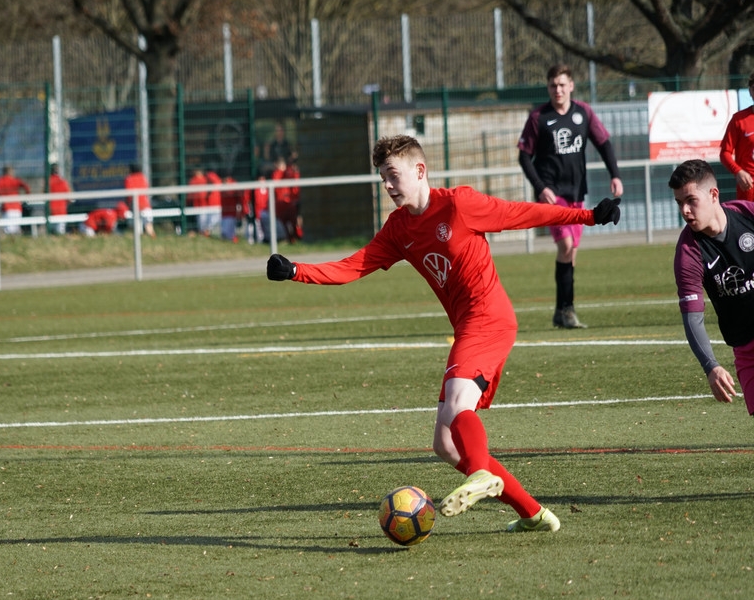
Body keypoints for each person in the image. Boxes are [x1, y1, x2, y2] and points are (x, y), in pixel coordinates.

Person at [266, 135, 621, 532]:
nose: (387, 185)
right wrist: (296, 271)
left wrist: (588, 216)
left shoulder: (458, 204)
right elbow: (354, 266)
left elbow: (520, 213)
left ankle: (482, 474)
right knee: (445, 444)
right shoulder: (398, 228)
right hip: (467, 326)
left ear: (420, 171)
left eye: (393, 175)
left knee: (456, 407)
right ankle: (533, 514)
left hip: (489, 318)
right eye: (382, 178)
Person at [518, 63, 624, 329]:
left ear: (571, 86)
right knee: (566, 246)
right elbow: (524, 156)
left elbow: (604, 143)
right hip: (552, 195)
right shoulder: (538, 117)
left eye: (562, 85)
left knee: (571, 251)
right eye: (553, 85)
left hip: (577, 192)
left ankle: (562, 310)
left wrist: (615, 175)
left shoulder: (583, 112)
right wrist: (541, 187)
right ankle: (567, 310)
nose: (558, 90)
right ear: (548, 87)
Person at [671, 159, 754, 414]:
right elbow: (693, 317)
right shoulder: (689, 252)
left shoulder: (748, 214)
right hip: (747, 350)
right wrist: (711, 366)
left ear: (714, 195)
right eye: (679, 203)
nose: (685, 210)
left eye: (691, 200)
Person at [719, 71, 754, 202]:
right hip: (749, 188)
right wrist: (738, 172)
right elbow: (725, 153)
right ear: (750, 91)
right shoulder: (739, 120)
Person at [0, 165, 31, 235]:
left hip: (7, 208)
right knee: (15, 230)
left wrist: (2, 196)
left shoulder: (1, 181)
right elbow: (26, 187)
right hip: (17, 208)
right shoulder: (15, 180)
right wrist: (26, 197)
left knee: (9, 231)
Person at [124, 164, 156, 238]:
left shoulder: (129, 178)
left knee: (137, 228)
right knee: (148, 225)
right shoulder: (143, 177)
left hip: (135, 205)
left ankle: (140, 238)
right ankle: (152, 237)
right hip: (145, 205)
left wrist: (128, 204)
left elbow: (128, 194)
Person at [47, 164, 72, 235]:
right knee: (60, 232)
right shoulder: (63, 182)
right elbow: (69, 198)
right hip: (62, 210)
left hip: (51, 210)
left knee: (52, 233)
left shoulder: (48, 181)